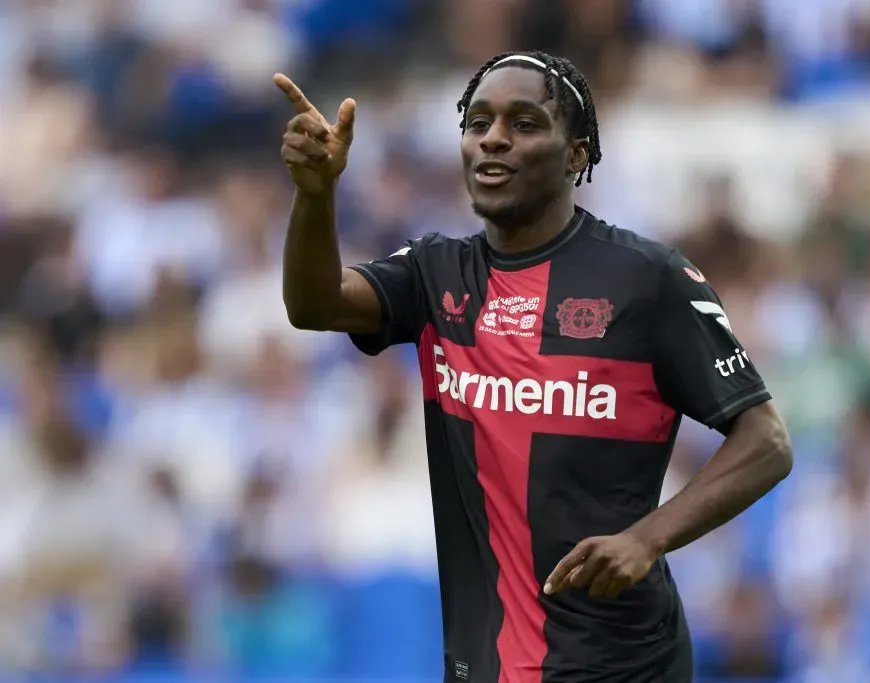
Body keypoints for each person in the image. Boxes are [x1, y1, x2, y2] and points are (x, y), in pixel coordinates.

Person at [274, 51, 793, 683]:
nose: (493, 137)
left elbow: (765, 440)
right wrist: (315, 195)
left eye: (524, 123)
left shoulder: (647, 280)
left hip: (623, 665)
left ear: (576, 154)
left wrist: (647, 538)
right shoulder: (436, 274)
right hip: (485, 666)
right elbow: (315, 305)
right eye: (477, 122)